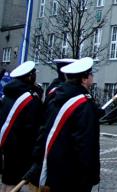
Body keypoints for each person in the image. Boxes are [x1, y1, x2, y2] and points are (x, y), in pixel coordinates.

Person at [33, 57, 101, 191]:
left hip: (56, 170)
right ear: (84, 79)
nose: (92, 78)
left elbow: (44, 129)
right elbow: (85, 144)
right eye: (91, 74)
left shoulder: (58, 97)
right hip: (73, 175)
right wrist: (91, 176)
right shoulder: (84, 105)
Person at [0, 61, 43, 192]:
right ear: (29, 77)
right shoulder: (30, 99)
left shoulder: (7, 95)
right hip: (24, 153)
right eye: (34, 74)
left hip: (7, 149)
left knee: (7, 181)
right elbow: (35, 129)